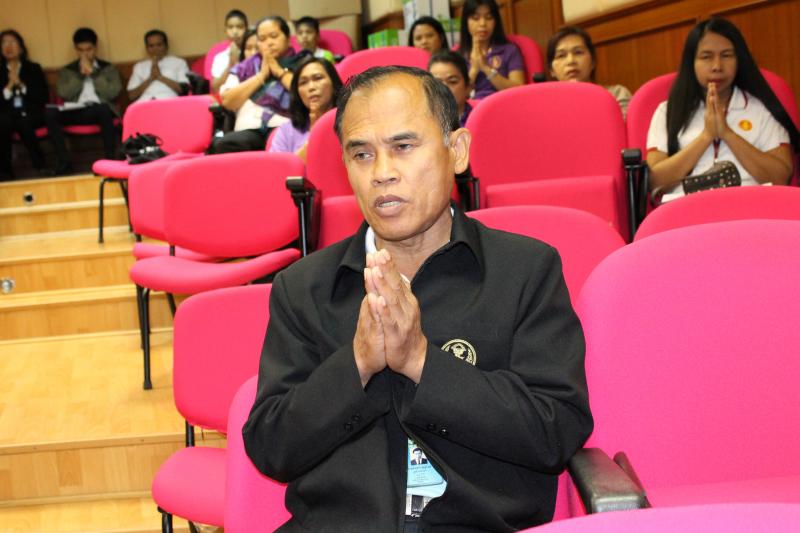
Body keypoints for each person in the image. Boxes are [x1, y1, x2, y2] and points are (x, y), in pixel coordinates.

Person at [243, 66, 592, 532]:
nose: (382, 173)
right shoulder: (304, 287)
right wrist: (356, 365)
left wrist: (421, 362)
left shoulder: (525, 270)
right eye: (361, 154)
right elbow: (271, 447)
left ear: (457, 151)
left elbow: (556, 429)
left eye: (403, 147)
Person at [646, 18, 798, 202]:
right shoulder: (667, 111)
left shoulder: (761, 109)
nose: (717, 66)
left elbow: (780, 177)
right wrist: (706, 136)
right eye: (706, 57)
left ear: (739, 60)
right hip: (686, 209)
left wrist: (727, 133)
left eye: (726, 55)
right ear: (691, 62)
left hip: (750, 206)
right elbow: (654, 181)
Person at [214, 16, 309, 154]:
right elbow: (227, 100)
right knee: (225, 144)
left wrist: (279, 72)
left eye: (274, 36)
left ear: (288, 38)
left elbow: (307, 92)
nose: (269, 43)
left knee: (282, 143)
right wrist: (261, 76)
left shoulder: (303, 62)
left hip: (285, 126)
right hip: (248, 130)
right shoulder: (245, 67)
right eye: (262, 39)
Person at [45, 27, 121, 175]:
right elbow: (64, 93)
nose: (85, 54)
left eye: (88, 49)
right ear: (76, 49)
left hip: (99, 110)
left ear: (95, 48)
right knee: (50, 113)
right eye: (81, 50)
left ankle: (110, 161)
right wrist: (80, 76)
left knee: (104, 109)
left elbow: (112, 93)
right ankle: (64, 162)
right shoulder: (68, 70)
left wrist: (94, 73)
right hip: (75, 109)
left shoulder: (108, 68)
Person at [546, 26, 632, 117]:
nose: (571, 61)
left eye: (578, 52)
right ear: (551, 70)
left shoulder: (617, 94)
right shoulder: (546, 106)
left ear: (593, 62)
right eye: (561, 55)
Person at [268, 57, 342, 160]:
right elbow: (279, 169)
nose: (311, 87)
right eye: (303, 82)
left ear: (333, 83)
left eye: (318, 78)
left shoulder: (349, 121)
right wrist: (313, 137)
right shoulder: (286, 131)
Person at [0, 29, 48, 180]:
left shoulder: (33, 68)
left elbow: (42, 97)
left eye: (12, 42)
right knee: (3, 122)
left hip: (31, 113)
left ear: (21, 47)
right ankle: (5, 172)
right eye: (4, 43)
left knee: (24, 122)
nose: (8, 46)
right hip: (7, 115)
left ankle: (40, 167)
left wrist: (20, 84)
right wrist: (9, 85)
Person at [458, 0, 524, 99]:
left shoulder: (510, 50)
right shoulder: (457, 54)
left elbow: (519, 90)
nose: (482, 24)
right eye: (475, 18)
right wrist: (474, 69)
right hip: (472, 107)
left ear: (496, 21)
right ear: (466, 22)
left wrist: (486, 68)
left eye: (489, 18)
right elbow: (456, 96)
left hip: (503, 103)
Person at [127, 30, 189, 102]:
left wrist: (160, 77)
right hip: (145, 101)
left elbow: (185, 90)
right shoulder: (139, 66)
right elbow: (131, 95)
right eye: (151, 46)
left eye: (159, 45)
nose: (155, 49)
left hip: (170, 101)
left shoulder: (179, 63)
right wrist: (151, 78)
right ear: (147, 49)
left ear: (166, 46)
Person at [429, 49, 473, 127]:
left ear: (468, 87)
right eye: (437, 82)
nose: (444, 88)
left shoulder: (479, 120)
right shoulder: (419, 121)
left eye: (452, 81)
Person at [211, 9, 249, 94]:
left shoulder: (253, 53)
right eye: (230, 27)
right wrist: (231, 65)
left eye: (239, 27)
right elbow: (215, 88)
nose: (235, 32)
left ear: (246, 29)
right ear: (225, 30)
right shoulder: (219, 57)